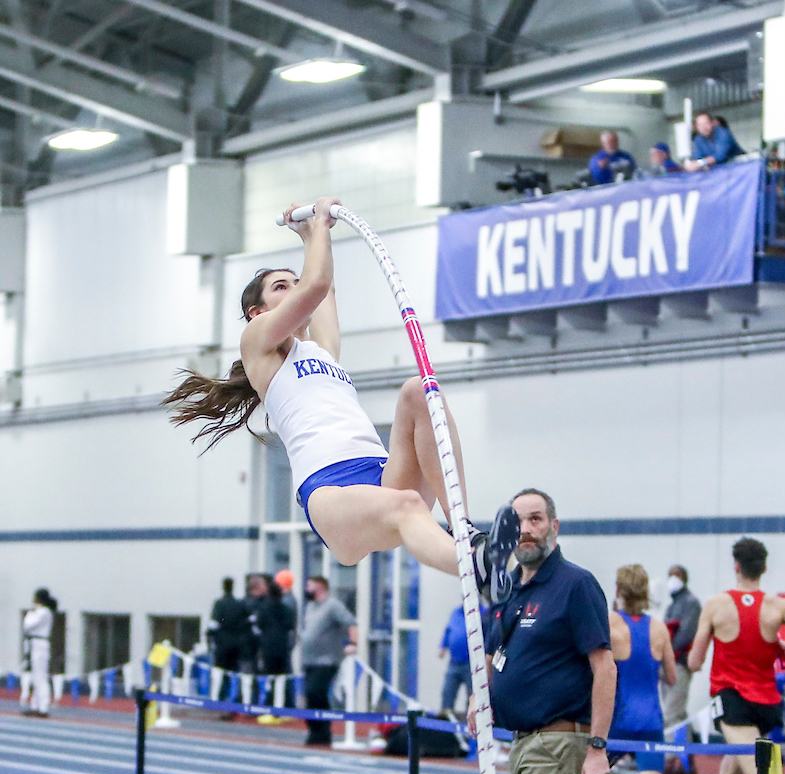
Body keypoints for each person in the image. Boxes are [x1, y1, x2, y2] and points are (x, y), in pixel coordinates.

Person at [163, 196, 519, 606]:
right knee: (404, 506)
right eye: (282, 287)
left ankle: (466, 532)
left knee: (416, 390)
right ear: (256, 311)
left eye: (294, 282)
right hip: (330, 490)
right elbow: (314, 287)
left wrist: (314, 233)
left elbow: (322, 287)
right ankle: (474, 568)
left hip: (382, 471)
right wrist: (317, 220)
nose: (294, 290)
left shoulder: (321, 350)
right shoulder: (257, 344)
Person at [471, 488, 616, 774]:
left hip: (556, 745)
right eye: (516, 522)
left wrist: (597, 747)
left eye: (535, 519)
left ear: (554, 527)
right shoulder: (506, 587)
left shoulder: (575, 585)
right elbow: (493, 653)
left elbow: (605, 668)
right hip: (520, 743)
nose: (524, 529)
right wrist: (476, 696)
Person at [688, 537, 785, 774]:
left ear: (736, 566)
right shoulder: (779, 606)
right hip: (768, 705)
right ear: (763, 568)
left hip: (733, 701)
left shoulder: (716, 605)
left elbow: (694, 661)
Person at [601, 565, 677, 774]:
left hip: (620, 720)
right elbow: (672, 678)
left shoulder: (610, 623)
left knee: (587, 769)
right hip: (651, 722)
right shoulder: (659, 627)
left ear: (618, 590)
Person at [301, 576, 357, 746]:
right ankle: (314, 732)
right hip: (309, 660)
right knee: (310, 697)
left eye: (309, 585)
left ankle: (323, 732)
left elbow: (351, 623)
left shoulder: (333, 606)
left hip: (327, 660)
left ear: (320, 586)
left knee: (316, 692)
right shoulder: (310, 606)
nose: (306, 588)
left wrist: (353, 643)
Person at [661, 565, 701, 730]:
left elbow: (687, 634)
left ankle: (670, 755)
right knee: (678, 711)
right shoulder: (672, 606)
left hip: (680, 663)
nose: (673, 578)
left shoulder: (691, 604)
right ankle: (689, 752)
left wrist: (668, 652)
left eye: (677, 575)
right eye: (670, 575)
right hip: (667, 663)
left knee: (672, 713)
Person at [439, 601, 487, 714]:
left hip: (472, 663)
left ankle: (469, 722)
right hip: (454, 662)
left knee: (472, 694)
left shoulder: (484, 613)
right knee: (448, 691)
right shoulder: (456, 612)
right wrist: (443, 646)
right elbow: (448, 630)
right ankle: (446, 719)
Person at [208, 578, 251, 689]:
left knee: (220, 673)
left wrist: (210, 641)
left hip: (222, 644)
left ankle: (220, 697)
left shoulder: (219, 604)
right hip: (237, 644)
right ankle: (234, 696)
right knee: (235, 673)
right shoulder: (240, 605)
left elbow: (213, 625)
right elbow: (247, 623)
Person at [21, 588, 57, 718]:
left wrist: (30, 613)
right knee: (36, 677)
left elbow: (28, 625)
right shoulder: (43, 612)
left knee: (40, 677)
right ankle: (35, 706)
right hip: (35, 643)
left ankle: (43, 707)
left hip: (39, 644)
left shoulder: (43, 612)